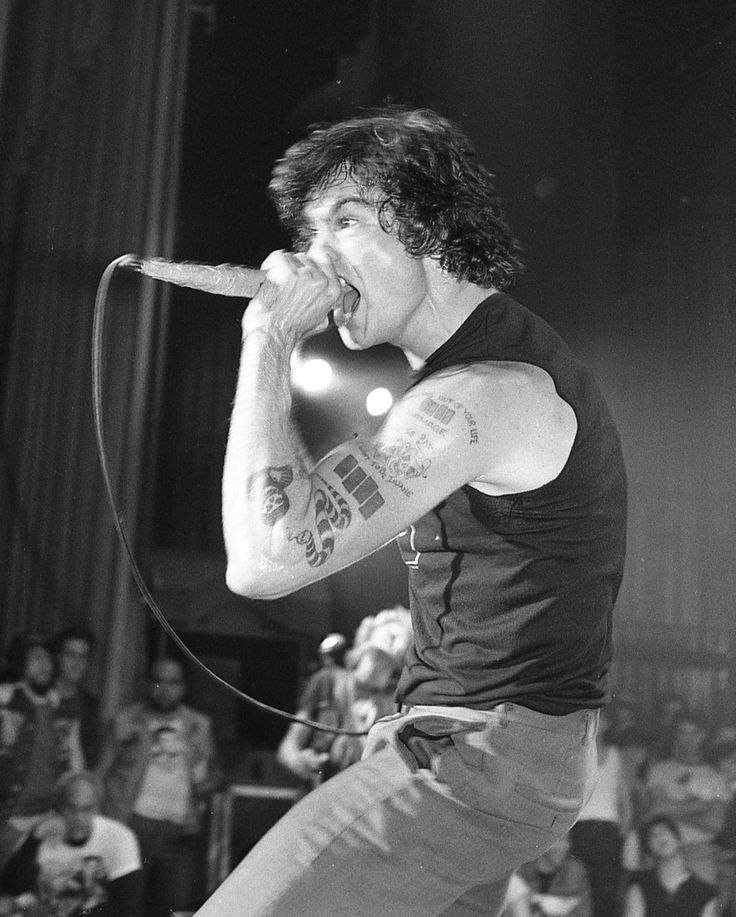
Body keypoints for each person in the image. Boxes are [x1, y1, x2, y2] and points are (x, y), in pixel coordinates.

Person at [202, 106, 627, 916]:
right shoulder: (464, 381)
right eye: (307, 230)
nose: (309, 255)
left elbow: (265, 558)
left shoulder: (486, 394)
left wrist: (267, 339)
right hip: (490, 755)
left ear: (427, 223)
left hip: (475, 758)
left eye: (345, 220)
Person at [97, 657, 220, 917]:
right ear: (147, 684)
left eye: (173, 682)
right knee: (127, 908)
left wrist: (205, 780)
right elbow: (101, 773)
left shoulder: (199, 725)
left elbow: (212, 778)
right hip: (132, 827)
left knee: (170, 908)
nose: (165, 689)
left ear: (184, 687)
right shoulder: (125, 720)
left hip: (179, 831)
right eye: (158, 681)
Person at [0, 770, 142, 917]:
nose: (79, 818)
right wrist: (34, 840)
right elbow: (12, 889)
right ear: (60, 807)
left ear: (97, 808)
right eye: (71, 808)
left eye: (87, 809)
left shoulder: (119, 837)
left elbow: (128, 905)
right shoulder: (42, 833)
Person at [0, 634, 84, 871]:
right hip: (9, 818)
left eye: (48, 659)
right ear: (21, 663)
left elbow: (76, 760)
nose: (44, 665)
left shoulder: (64, 711)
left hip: (49, 818)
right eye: (35, 658)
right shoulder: (6, 699)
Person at [642, 713, 729, 884]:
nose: (688, 739)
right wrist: (701, 806)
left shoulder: (715, 777)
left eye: (694, 733)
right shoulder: (660, 770)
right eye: (683, 732)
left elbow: (715, 824)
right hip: (663, 852)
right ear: (675, 735)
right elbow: (656, 809)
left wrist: (671, 809)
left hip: (701, 854)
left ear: (703, 735)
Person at [569, 709, 632, 917]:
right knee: (579, 887)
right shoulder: (575, 753)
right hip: (579, 830)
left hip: (608, 833)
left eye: (600, 719)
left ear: (606, 725)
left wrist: (622, 830)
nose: (594, 723)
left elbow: (625, 799)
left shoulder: (615, 755)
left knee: (606, 892)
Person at [623, 816, 719, 917]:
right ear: (649, 849)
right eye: (652, 835)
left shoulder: (705, 892)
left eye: (665, 831)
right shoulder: (641, 882)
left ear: (678, 840)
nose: (660, 837)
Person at [52, 625, 102, 768]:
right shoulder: (41, 697)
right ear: (58, 657)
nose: (77, 662)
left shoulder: (90, 705)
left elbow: (89, 755)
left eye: (83, 656)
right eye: (70, 655)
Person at [518, 832, 593, 917]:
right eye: (559, 840)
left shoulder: (575, 871)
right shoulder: (521, 871)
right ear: (544, 843)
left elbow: (583, 912)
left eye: (567, 840)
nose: (566, 845)